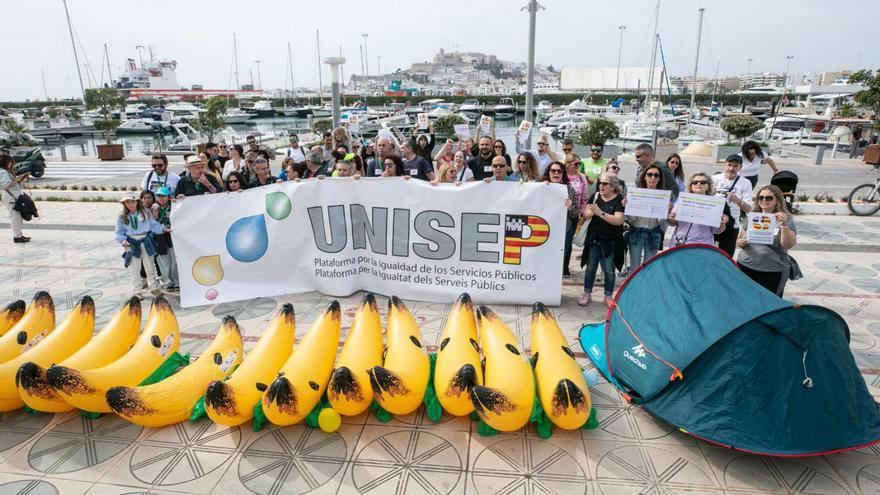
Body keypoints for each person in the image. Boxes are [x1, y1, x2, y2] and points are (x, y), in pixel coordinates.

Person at [736, 185, 798, 296]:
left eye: (769, 198)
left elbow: (787, 244)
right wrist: (740, 242)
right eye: (760, 197)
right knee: (745, 300)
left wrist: (784, 225)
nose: (764, 200)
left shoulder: (786, 218)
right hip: (746, 266)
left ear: (777, 200)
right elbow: (741, 238)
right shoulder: (752, 216)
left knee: (769, 305)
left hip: (773, 270)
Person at [579, 173, 626, 306]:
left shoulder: (619, 199)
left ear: (613, 186)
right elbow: (586, 214)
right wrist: (591, 212)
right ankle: (587, 294)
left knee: (609, 270)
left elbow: (618, 220)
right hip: (594, 239)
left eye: (605, 184)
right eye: (600, 183)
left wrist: (600, 213)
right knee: (590, 268)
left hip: (611, 241)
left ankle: (608, 296)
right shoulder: (595, 197)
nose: (601, 186)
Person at [114, 192, 169, 298]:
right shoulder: (122, 216)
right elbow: (119, 231)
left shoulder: (145, 213)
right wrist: (122, 241)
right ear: (124, 204)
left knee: (150, 265)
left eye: (133, 201)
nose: (130, 204)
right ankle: (137, 291)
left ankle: (154, 287)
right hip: (132, 242)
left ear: (137, 202)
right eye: (127, 202)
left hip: (145, 240)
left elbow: (154, 225)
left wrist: (163, 229)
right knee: (134, 268)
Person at [626, 165, 670, 270]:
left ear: (659, 179)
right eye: (650, 174)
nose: (653, 178)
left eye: (656, 175)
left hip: (654, 233)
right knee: (634, 266)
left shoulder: (664, 196)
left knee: (649, 266)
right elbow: (631, 219)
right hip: (636, 232)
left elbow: (663, 224)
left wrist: (666, 211)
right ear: (644, 177)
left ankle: (646, 286)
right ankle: (634, 286)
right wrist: (629, 206)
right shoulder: (636, 194)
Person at [668, 172, 730, 246]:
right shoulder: (682, 200)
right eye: (695, 182)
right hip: (679, 243)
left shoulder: (713, 204)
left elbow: (717, 231)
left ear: (708, 186)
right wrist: (671, 218)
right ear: (691, 186)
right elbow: (673, 223)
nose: (698, 184)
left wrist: (721, 223)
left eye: (703, 182)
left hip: (702, 246)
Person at [543, 161, 580, 276]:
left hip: (564, 231)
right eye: (553, 171)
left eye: (559, 171)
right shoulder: (542, 187)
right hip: (544, 231)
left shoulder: (569, 190)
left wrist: (569, 207)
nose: (556, 173)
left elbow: (575, 213)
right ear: (548, 173)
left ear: (563, 173)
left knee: (558, 261)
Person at [713, 155, 753, 257]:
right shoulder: (715, 178)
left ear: (740, 167)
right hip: (712, 222)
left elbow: (749, 209)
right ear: (724, 165)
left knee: (727, 257)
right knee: (708, 254)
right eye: (729, 165)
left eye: (735, 166)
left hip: (732, 224)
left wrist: (737, 200)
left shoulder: (746, 183)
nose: (731, 168)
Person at [151, 187, 178, 291]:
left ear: (169, 197)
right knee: (164, 262)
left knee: (175, 261)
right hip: (160, 237)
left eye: (164, 196)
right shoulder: (153, 208)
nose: (161, 198)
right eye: (159, 196)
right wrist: (155, 213)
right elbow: (152, 223)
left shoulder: (174, 206)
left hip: (172, 236)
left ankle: (177, 282)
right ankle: (168, 283)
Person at [0, 155, 29, 243]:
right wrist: (18, 178)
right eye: (10, 162)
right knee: (15, 216)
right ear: (6, 162)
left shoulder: (6, 172)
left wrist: (21, 179)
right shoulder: (3, 172)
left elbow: (12, 184)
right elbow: (7, 185)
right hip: (11, 196)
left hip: (12, 196)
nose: (11, 164)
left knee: (17, 216)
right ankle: (17, 236)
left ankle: (19, 235)